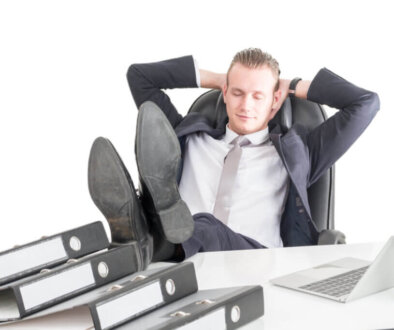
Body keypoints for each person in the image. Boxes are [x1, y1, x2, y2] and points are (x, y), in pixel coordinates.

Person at [88, 48, 379, 271]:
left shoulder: (299, 153)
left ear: (275, 100)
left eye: (258, 96)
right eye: (237, 92)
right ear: (224, 92)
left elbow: (365, 104)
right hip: (182, 269)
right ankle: (148, 235)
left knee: (203, 224)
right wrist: (216, 78)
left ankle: (143, 237)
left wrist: (291, 84)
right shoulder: (186, 136)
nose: (245, 105)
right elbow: (139, 76)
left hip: (255, 266)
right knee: (196, 226)